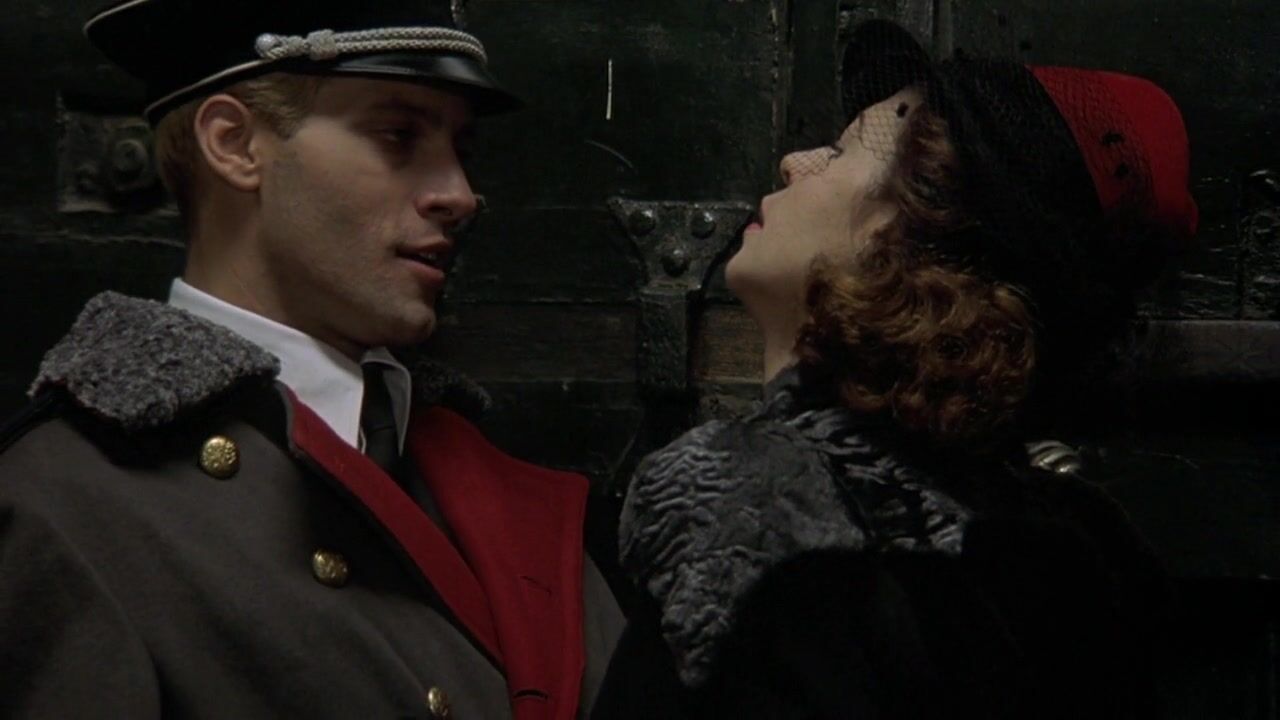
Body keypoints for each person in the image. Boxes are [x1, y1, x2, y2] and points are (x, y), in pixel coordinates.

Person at [0, 2, 622, 718]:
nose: (459, 195)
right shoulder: (68, 506)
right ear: (235, 144)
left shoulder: (490, 482)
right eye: (399, 136)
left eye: (461, 150)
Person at [592, 19, 1196, 719]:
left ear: (901, 231)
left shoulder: (742, 496)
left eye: (840, 151)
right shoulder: (1077, 546)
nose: (793, 162)